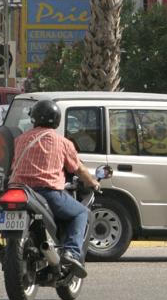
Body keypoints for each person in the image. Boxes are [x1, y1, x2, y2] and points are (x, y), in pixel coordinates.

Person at [8, 100, 100, 278]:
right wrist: (94, 183)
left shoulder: (20, 140)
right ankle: (71, 252)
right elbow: (79, 169)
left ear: (33, 118)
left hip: (21, 191)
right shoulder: (62, 143)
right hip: (47, 193)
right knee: (81, 213)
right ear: (56, 120)